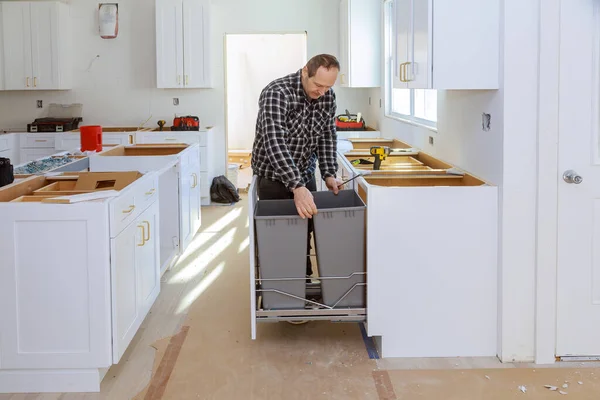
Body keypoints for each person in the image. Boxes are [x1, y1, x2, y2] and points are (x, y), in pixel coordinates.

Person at [251, 54, 344, 279]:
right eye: (318, 85)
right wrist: (296, 186)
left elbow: (326, 135)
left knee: (305, 234)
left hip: (304, 173)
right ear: (305, 72)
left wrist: (329, 172)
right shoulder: (276, 93)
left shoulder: (327, 97)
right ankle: (278, 291)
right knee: (278, 238)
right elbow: (275, 142)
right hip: (272, 177)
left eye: (328, 86)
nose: (322, 92)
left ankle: (303, 287)